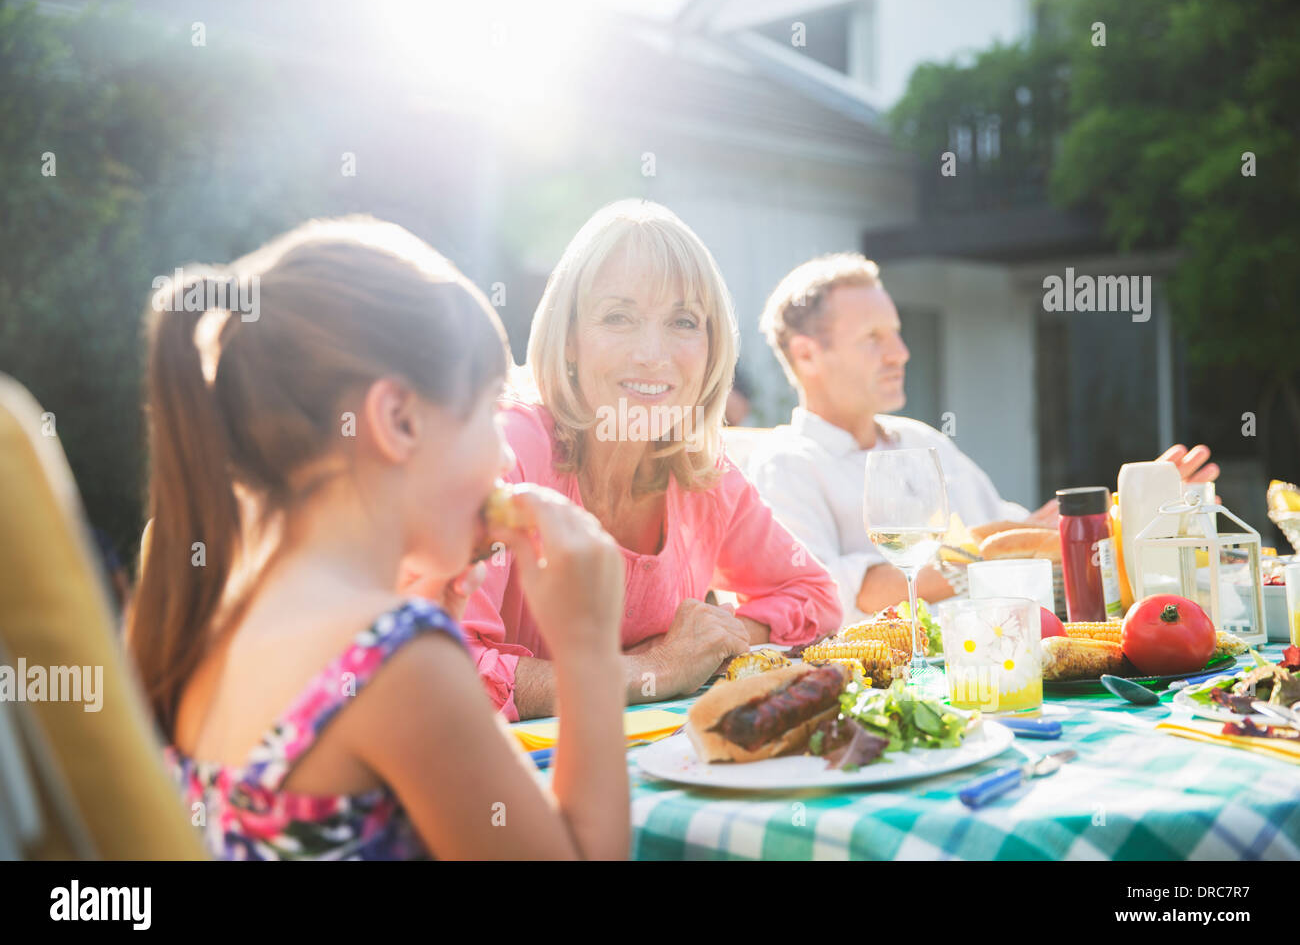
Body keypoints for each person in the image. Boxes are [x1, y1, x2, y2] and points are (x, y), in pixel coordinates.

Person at [127, 217, 629, 859]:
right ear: (398, 419)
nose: (506, 457)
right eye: (491, 409)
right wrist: (587, 649)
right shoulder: (397, 664)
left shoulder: (207, 622)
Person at [446, 201, 842, 721]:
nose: (653, 353)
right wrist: (658, 667)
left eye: (682, 321)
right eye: (618, 317)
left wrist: (718, 640)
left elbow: (813, 595)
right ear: (568, 340)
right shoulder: (508, 453)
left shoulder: (701, 473)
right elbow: (448, 671)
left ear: (711, 346)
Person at [747, 253, 1219, 624]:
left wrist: (1128, 512)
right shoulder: (785, 467)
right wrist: (986, 553)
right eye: (873, 338)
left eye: (897, 333)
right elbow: (832, 595)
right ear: (807, 356)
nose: (901, 353)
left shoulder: (921, 441)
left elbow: (1024, 536)